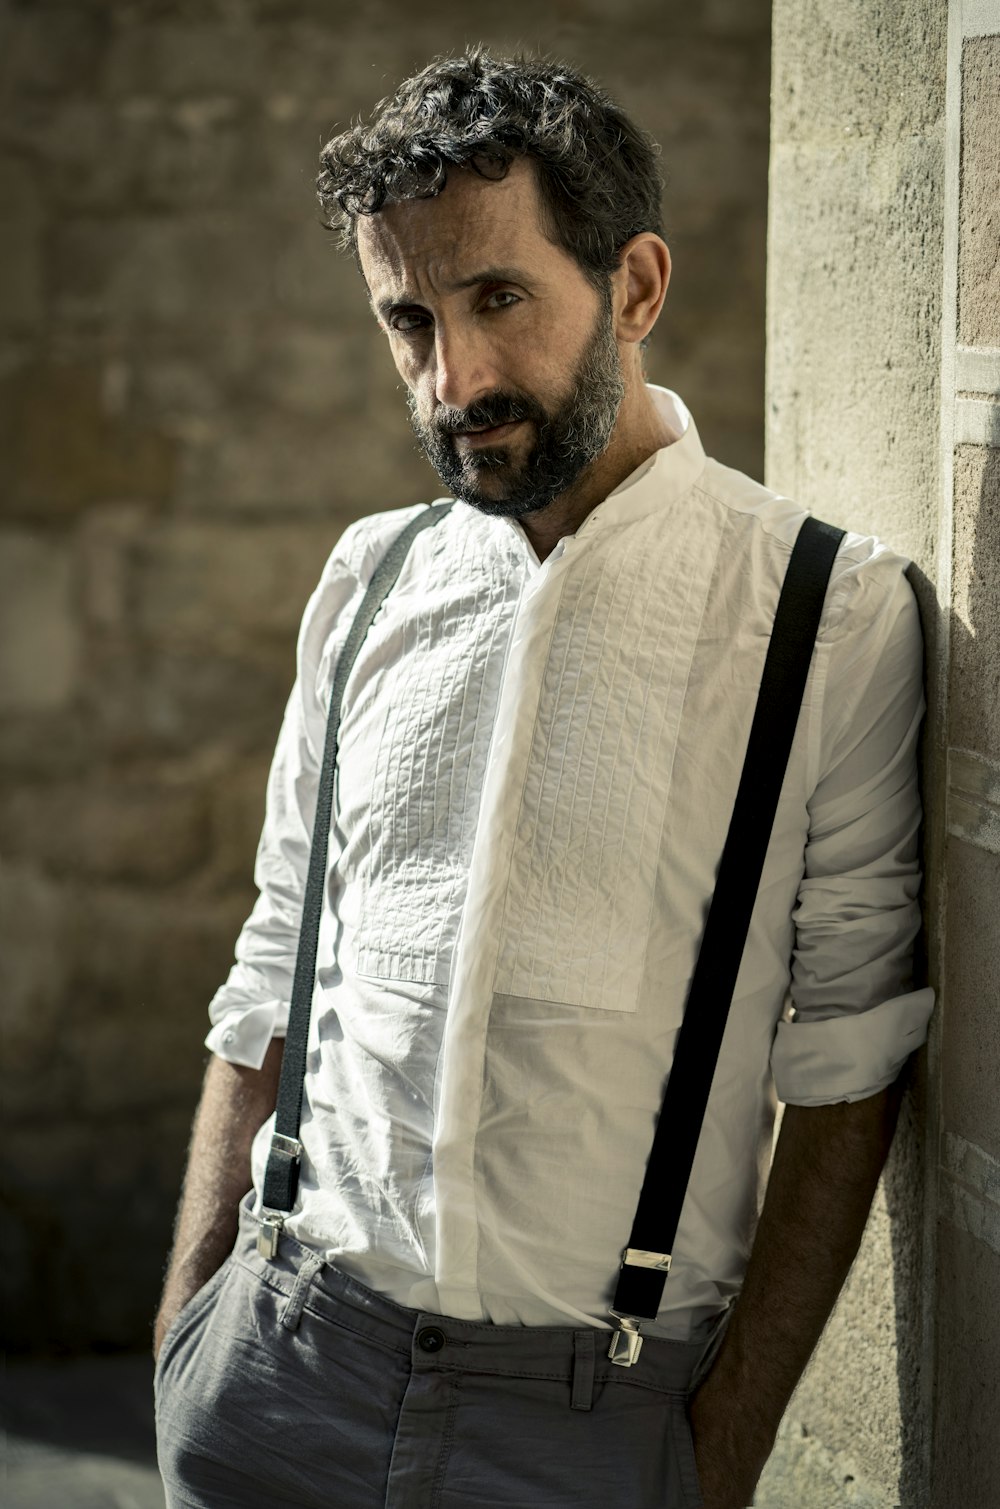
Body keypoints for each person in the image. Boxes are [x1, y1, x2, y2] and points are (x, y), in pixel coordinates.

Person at [154, 47, 934, 1509]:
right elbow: (272, 964)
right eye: (408, 320)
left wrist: (718, 1454)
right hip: (278, 1378)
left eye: (497, 299)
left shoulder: (826, 614)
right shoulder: (367, 580)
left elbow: (844, 1071)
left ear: (635, 287)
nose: (454, 380)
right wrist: (191, 1325)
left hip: (583, 1429)